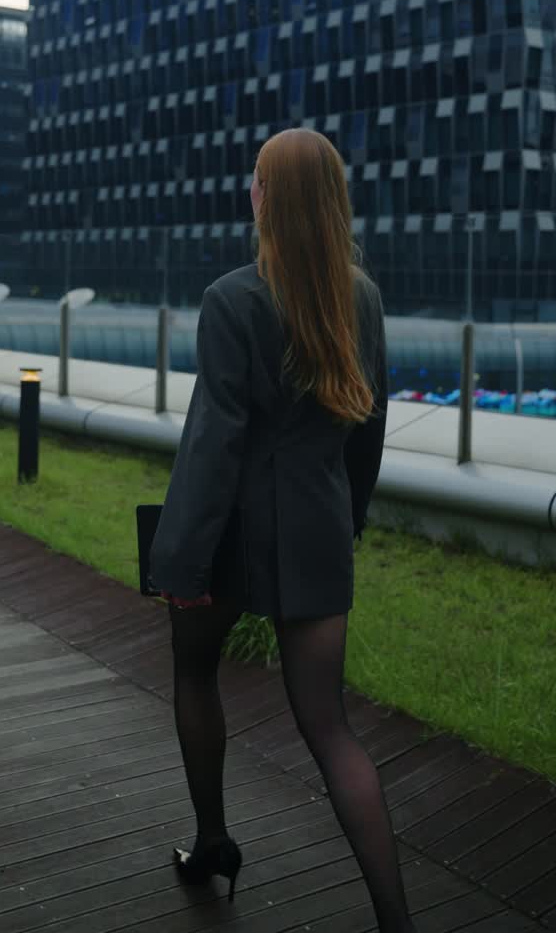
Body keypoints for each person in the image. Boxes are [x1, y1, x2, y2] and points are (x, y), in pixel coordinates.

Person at [148, 127, 416, 932]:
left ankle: (213, 842)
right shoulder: (360, 297)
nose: (251, 192)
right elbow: (367, 430)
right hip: (315, 534)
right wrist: (348, 519)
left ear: (268, 199)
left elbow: (214, 444)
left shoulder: (231, 298)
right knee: (331, 731)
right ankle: (397, 924)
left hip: (230, 534)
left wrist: (182, 565)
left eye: (257, 182)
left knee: (195, 676)